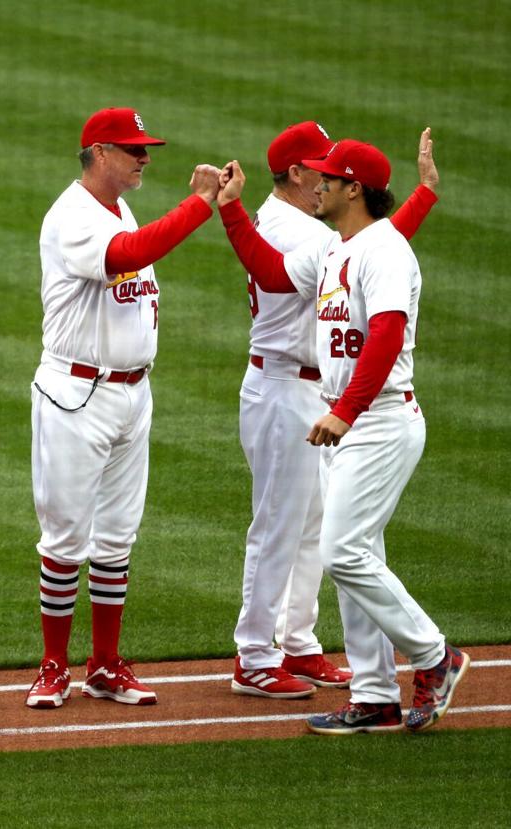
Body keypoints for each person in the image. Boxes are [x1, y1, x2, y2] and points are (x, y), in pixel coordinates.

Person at [217, 141, 469, 733]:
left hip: (378, 421)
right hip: (352, 421)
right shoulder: (338, 247)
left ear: (354, 189)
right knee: (358, 554)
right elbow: (273, 273)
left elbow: (385, 334)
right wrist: (229, 209)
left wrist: (346, 411)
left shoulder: (386, 252)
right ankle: (376, 693)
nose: (318, 184)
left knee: (342, 552)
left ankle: (435, 656)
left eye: (330, 177)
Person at [26, 108, 222, 709]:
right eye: (134, 149)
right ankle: (53, 666)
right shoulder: (72, 216)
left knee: (115, 539)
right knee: (64, 537)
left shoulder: (117, 205)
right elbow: (132, 253)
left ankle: (105, 664)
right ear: (100, 152)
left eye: (146, 148)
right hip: (76, 393)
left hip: (132, 393)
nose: (145, 157)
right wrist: (200, 206)